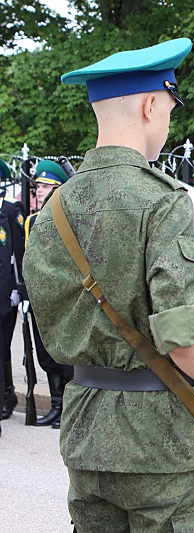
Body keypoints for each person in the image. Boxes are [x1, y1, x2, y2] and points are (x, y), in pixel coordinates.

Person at [22, 38, 194, 531]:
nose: (166, 123)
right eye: (167, 109)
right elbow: (182, 335)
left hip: (85, 428)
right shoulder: (162, 200)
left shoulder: (54, 209)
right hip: (159, 436)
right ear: (149, 105)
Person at [23, 160, 76, 428]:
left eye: (46, 186)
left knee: (65, 355)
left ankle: (68, 407)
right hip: (38, 300)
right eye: (39, 186)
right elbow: (28, 262)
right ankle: (56, 404)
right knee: (45, 355)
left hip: (64, 301)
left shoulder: (67, 219)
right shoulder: (31, 221)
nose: (40, 190)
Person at [0, 157, 25, 422]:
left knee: (3, 346)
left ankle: (8, 394)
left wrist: (19, 289)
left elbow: (18, 253)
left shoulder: (11, 211)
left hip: (5, 291)